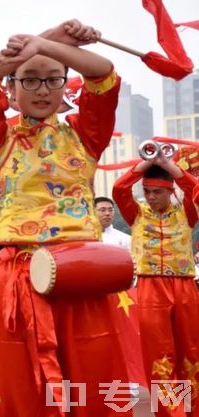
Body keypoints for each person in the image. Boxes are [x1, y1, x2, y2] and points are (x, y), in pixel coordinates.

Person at [0, 18, 134, 416]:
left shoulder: (85, 135)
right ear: (10, 91)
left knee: (91, 384)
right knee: (22, 391)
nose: (42, 90)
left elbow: (105, 76)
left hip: (79, 272)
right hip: (15, 278)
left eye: (52, 80)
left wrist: (45, 44)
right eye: (29, 80)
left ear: (65, 88)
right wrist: (42, 43)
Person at [114, 155, 199, 414]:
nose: (150, 197)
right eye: (147, 191)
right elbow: (119, 189)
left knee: (191, 351)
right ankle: (171, 412)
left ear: (170, 191)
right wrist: (144, 164)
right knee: (159, 355)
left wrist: (167, 165)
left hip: (185, 286)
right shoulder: (136, 214)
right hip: (151, 289)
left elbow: (195, 189)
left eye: (157, 192)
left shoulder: (187, 212)